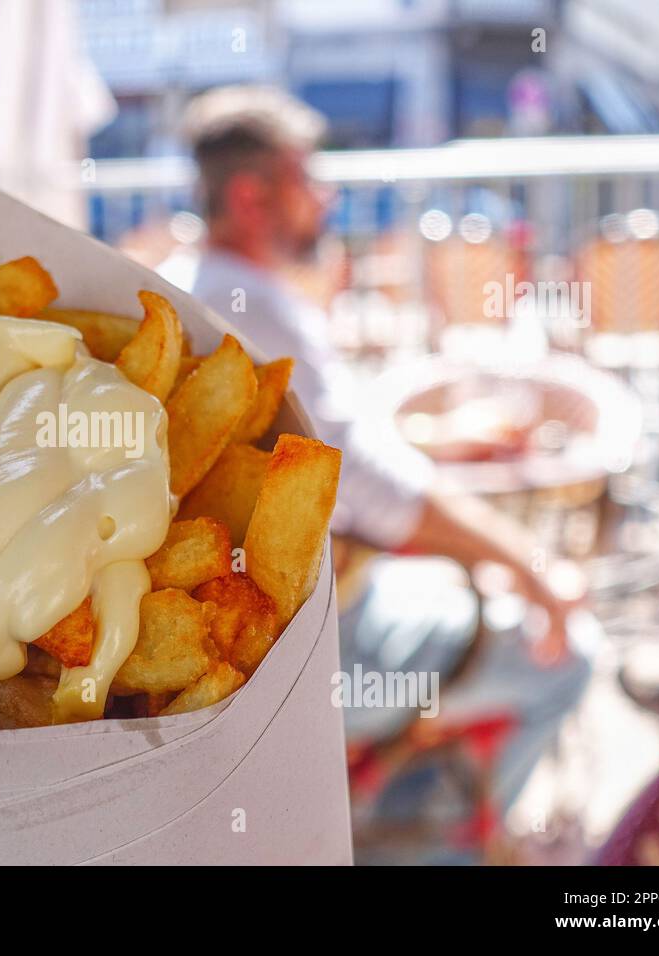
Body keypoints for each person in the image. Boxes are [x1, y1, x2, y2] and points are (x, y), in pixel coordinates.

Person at [157, 85, 591, 813]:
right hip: (319, 651)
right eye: (306, 178)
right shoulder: (253, 307)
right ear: (251, 196)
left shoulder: (197, 285)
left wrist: (432, 442)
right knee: (569, 660)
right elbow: (363, 487)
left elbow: (326, 453)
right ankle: (428, 845)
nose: (324, 198)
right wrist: (534, 568)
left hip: (281, 633)